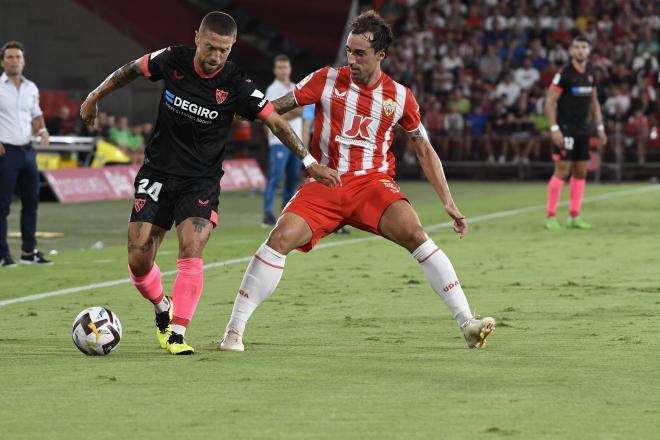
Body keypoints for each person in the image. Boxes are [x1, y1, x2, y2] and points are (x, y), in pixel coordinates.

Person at [220, 11, 496, 352]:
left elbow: (423, 148)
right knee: (279, 239)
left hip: (373, 185)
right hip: (327, 182)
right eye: (349, 51)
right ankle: (234, 330)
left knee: (416, 234)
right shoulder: (325, 79)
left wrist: (448, 201)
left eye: (360, 53)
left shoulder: (400, 97)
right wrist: (231, 111)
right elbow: (274, 109)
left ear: (381, 54)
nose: (351, 59)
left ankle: (467, 322)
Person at [79, 11, 338, 355]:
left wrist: (310, 162)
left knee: (192, 248)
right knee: (139, 259)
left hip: (200, 181)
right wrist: (94, 97)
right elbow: (130, 70)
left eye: (224, 50)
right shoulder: (172, 59)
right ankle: (162, 306)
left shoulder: (238, 85)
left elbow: (275, 122)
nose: (216, 56)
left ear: (232, 48)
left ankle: (177, 334)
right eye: (211, 47)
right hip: (157, 172)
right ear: (197, 37)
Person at [545, 36, 607, 230]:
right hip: (565, 129)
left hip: (583, 130)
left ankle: (574, 216)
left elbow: (594, 103)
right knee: (562, 170)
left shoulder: (590, 73)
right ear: (571, 51)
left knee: (581, 171)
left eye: (584, 47)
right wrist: (554, 128)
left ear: (588, 51)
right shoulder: (564, 73)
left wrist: (600, 127)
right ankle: (551, 216)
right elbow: (549, 101)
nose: (580, 50)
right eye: (577, 47)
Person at [0, 40, 52, 267]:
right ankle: (3, 254)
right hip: (5, 151)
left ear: (24, 61)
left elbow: (36, 114)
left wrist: (42, 130)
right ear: (3, 61)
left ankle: (28, 252)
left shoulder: (31, 87)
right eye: (10, 57)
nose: (14, 61)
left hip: (27, 151)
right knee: (2, 205)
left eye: (18, 57)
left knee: (31, 203)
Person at [262, 54, 304, 226]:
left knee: (293, 178)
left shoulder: (295, 87)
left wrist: (278, 113)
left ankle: (285, 213)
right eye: (279, 67)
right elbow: (268, 114)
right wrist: (288, 111)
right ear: (275, 70)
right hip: (278, 140)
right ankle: (267, 214)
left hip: (296, 141)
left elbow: (301, 112)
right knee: (275, 177)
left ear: (290, 69)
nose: (283, 70)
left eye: (285, 67)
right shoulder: (272, 90)